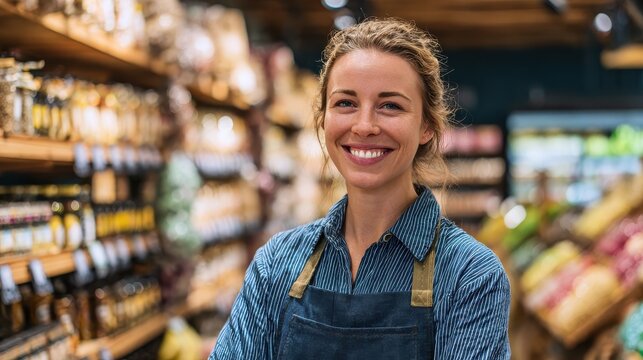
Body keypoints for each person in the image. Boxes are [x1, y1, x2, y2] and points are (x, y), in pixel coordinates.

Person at [210, 18, 511, 360]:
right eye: (346, 103)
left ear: (427, 125)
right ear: (323, 118)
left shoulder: (469, 275)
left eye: (390, 106)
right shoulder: (276, 264)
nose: (364, 126)